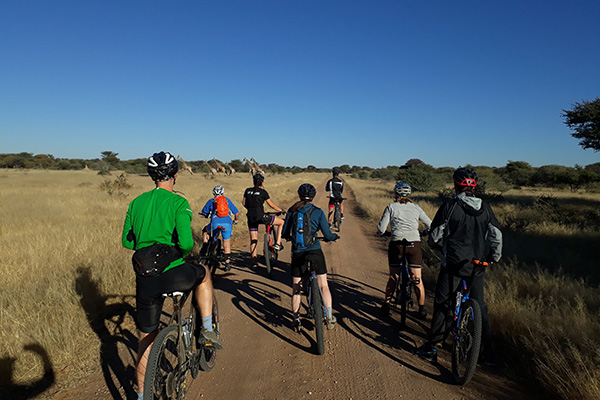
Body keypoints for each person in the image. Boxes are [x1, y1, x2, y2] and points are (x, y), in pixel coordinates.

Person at [122, 152, 222, 400]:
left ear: (151, 176)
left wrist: (147, 242)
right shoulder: (179, 203)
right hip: (174, 273)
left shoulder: (136, 203)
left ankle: (143, 396)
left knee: (146, 337)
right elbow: (187, 244)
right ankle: (208, 331)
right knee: (204, 274)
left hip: (145, 277)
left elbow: (126, 240)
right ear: (175, 175)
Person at [416, 167, 502, 365]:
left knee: (442, 304)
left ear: (455, 185)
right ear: (475, 186)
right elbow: (496, 235)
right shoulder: (486, 208)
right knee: (480, 305)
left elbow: (436, 234)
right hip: (477, 264)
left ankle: (433, 346)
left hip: (453, 263)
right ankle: (488, 354)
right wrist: (494, 257)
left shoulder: (450, 206)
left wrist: (435, 246)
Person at [282, 183, 340, 331]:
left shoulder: (292, 210)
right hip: (315, 250)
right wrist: (332, 237)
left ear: (299, 195)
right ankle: (328, 316)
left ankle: (295, 319)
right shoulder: (318, 212)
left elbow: (284, 233)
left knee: (296, 287)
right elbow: (327, 234)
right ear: (313, 196)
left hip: (297, 252)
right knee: (323, 285)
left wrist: (288, 237)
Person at [377, 182, 431, 320]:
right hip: (414, 243)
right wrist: (424, 232)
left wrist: (384, 233)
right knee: (417, 277)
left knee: (393, 276)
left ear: (396, 194)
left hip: (397, 244)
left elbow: (381, 229)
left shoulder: (391, 207)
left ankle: (387, 305)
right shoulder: (416, 208)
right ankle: (422, 309)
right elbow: (430, 225)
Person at [242, 173, 286, 269]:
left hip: (251, 217)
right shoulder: (263, 192)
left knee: (253, 240)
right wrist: (280, 210)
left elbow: (244, 203)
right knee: (281, 222)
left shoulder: (247, 191)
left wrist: (251, 209)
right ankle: (278, 243)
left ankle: (254, 262)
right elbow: (271, 205)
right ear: (262, 182)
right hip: (261, 216)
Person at [199, 185, 240, 271]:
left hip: (214, 223)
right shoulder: (227, 200)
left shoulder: (211, 201)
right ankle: (227, 265)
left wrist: (206, 215)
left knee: (205, 231)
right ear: (223, 192)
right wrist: (235, 221)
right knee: (226, 243)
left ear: (213, 192)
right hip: (227, 224)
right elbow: (237, 213)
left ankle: (205, 247)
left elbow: (204, 212)